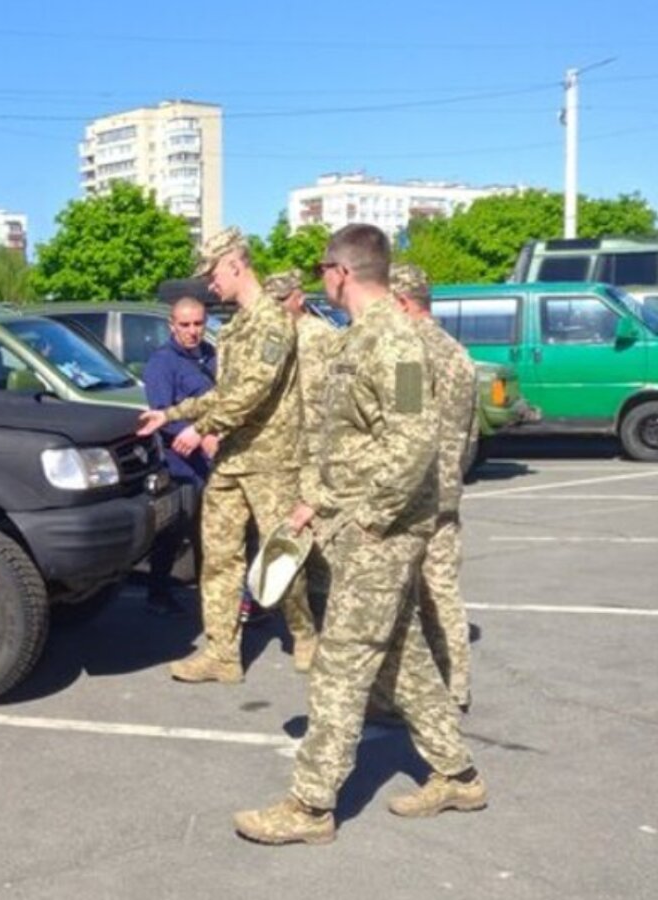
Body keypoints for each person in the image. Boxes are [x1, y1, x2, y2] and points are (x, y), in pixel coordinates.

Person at [233, 224, 486, 846]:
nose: (322, 277)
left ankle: (311, 805)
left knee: (341, 665)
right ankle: (458, 774)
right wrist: (309, 504)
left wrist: (372, 521)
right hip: (354, 522)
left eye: (324, 267)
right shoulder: (362, 338)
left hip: (384, 530)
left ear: (340, 272)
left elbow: (412, 444)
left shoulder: (396, 344)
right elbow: (348, 442)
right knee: (402, 657)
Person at [138, 227, 306, 684]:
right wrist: (168, 414)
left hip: (270, 458)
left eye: (213, 273)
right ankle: (222, 654)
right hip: (231, 460)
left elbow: (252, 392)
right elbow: (221, 394)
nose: (209, 284)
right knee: (219, 556)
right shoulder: (233, 328)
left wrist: (200, 427)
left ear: (235, 263)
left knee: (281, 553)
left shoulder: (272, 321)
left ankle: (306, 635)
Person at [389, 263, 479, 711]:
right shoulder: (458, 353)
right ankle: (456, 683)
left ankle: (401, 695)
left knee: (400, 597)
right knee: (442, 591)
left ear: (404, 303)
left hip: (415, 494)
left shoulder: (412, 353)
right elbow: (471, 434)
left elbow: (404, 424)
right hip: (447, 491)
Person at [265, 269, 336, 656]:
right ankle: (304, 623)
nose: (278, 308)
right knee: (292, 534)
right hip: (285, 448)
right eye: (271, 301)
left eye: (282, 300)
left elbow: (344, 384)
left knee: (323, 537)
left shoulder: (323, 336)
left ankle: (326, 622)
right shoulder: (274, 340)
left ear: (298, 298)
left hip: (320, 445)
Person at [141, 295, 218, 616]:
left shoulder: (210, 356)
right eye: (185, 325)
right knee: (176, 530)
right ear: (171, 326)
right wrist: (198, 434)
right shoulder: (162, 362)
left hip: (212, 458)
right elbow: (162, 413)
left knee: (210, 531)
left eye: (198, 324)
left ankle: (210, 596)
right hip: (181, 462)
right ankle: (158, 591)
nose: (192, 331)